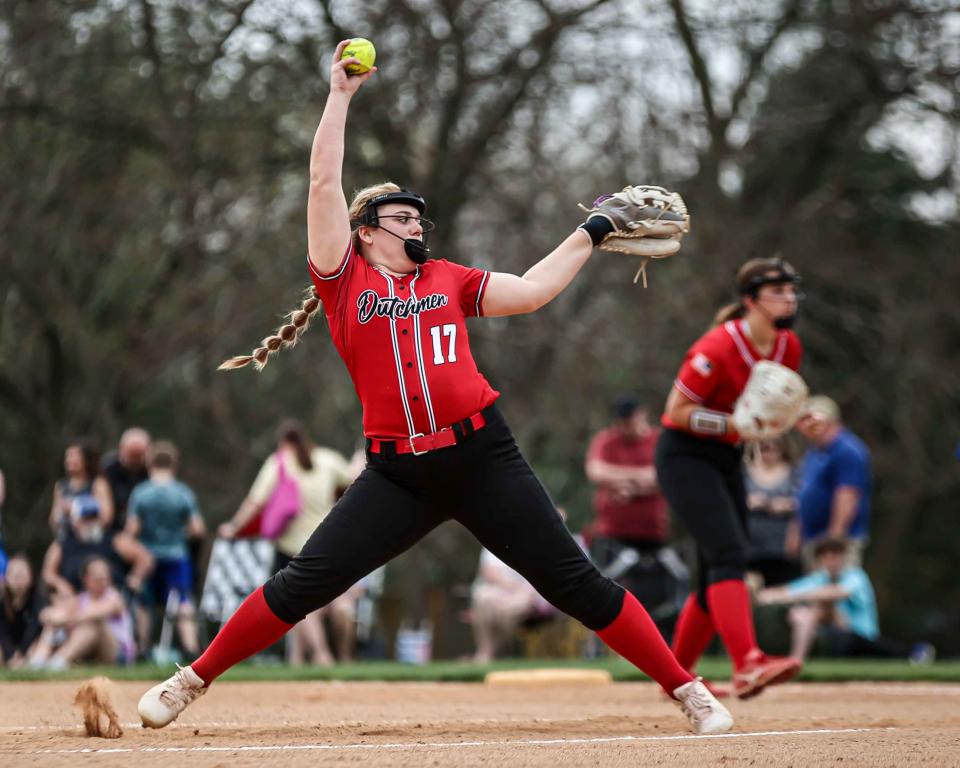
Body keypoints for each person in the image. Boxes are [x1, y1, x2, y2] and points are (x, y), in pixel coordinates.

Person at [137, 40, 731, 736]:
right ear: (365, 234)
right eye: (403, 216)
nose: (417, 222)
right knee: (303, 584)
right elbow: (324, 186)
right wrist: (340, 95)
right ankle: (190, 679)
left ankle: (688, 690)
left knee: (576, 583)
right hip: (398, 474)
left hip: (484, 459)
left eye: (421, 216)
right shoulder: (343, 280)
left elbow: (534, 290)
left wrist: (591, 230)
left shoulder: (446, 278)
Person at [655, 256, 805, 699]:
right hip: (684, 455)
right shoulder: (717, 346)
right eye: (777, 291)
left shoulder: (787, 345)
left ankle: (675, 676)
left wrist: (802, 418)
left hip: (724, 458)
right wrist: (731, 426)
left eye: (791, 290)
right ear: (749, 299)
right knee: (729, 553)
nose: (789, 298)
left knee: (714, 574)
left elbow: (770, 411)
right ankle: (748, 664)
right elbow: (674, 412)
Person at [219, 420, 357, 665]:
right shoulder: (328, 459)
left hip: (292, 549)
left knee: (299, 603)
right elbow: (354, 481)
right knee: (335, 603)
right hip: (329, 543)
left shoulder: (279, 462)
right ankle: (334, 658)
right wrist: (359, 459)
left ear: (284, 442)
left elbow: (255, 502)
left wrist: (233, 527)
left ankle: (321, 655)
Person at [757, 537, 934, 663]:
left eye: (836, 555)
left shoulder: (855, 576)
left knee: (824, 606)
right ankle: (795, 659)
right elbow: (786, 589)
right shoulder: (819, 578)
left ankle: (913, 653)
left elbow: (837, 593)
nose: (832, 561)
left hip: (861, 636)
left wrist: (795, 596)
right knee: (806, 612)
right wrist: (766, 594)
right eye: (827, 556)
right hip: (837, 637)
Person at [585, 396, 678, 623]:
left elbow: (663, 475)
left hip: (652, 533)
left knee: (653, 591)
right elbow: (596, 471)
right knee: (611, 587)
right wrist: (640, 479)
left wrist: (628, 488)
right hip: (613, 534)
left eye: (630, 421)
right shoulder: (606, 441)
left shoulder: (657, 440)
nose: (626, 428)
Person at [127, 441, 206, 657]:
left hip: (148, 556)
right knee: (182, 600)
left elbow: (132, 531)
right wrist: (179, 536)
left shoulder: (141, 493)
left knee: (144, 601)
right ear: (174, 464)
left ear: (149, 462)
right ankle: (191, 648)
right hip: (176, 555)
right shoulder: (182, 493)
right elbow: (198, 529)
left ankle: (142, 647)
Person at [794, 396, 871, 567]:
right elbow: (804, 493)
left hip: (836, 543)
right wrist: (797, 532)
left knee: (834, 590)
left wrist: (834, 537)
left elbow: (848, 495)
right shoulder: (814, 452)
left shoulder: (847, 450)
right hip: (813, 538)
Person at [42, 495, 153, 605]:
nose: (91, 523)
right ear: (74, 521)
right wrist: (60, 584)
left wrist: (136, 577)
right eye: (86, 518)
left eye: (94, 517)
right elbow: (48, 572)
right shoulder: (62, 544)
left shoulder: (114, 540)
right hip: (74, 602)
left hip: (111, 601)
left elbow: (145, 558)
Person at [29, 555, 136, 669]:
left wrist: (64, 619)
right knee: (53, 625)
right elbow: (47, 614)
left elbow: (95, 612)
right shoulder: (80, 599)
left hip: (117, 653)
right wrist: (54, 618)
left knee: (93, 623)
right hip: (90, 652)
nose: (101, 577)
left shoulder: (114, 597)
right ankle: (37, 661)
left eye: (104, 574)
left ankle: (59, 661)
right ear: (86, 578)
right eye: (96, 575)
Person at [743, 437, 802, 587]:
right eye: (763, 448)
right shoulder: (743, 471)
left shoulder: (795, 472)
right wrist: (748, 502)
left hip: (781, 545)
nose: (768, 453)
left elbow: (806, 503)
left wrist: (786, 505)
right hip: (750, 544)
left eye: (773, 448)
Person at [48, 440, 114, 539]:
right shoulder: (61, 486)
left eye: (75, 456)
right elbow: (54, 519)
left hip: (92, 536)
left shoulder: (98, 484)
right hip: (67, 536)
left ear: (87, 459)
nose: (70, 460)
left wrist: (76, 510)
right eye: (68, 456)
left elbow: (106, 517)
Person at [101, 427, 151, 534]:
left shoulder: (152, 471)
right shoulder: (107, 469)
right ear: (121, 449)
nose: (135, 461)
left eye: (139, 456)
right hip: (112, 528)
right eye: (131, 455)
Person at [0, 554, 46, 667]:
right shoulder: (2, 601)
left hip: (31, 647)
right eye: (13, 572)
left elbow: (35, 628)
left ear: (31, 577)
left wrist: (22, 653)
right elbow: (2, 632)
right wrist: (11, 654)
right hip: (7, 648)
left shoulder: (39, 600)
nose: (17, 575)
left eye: (22, 572)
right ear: (5, 578)